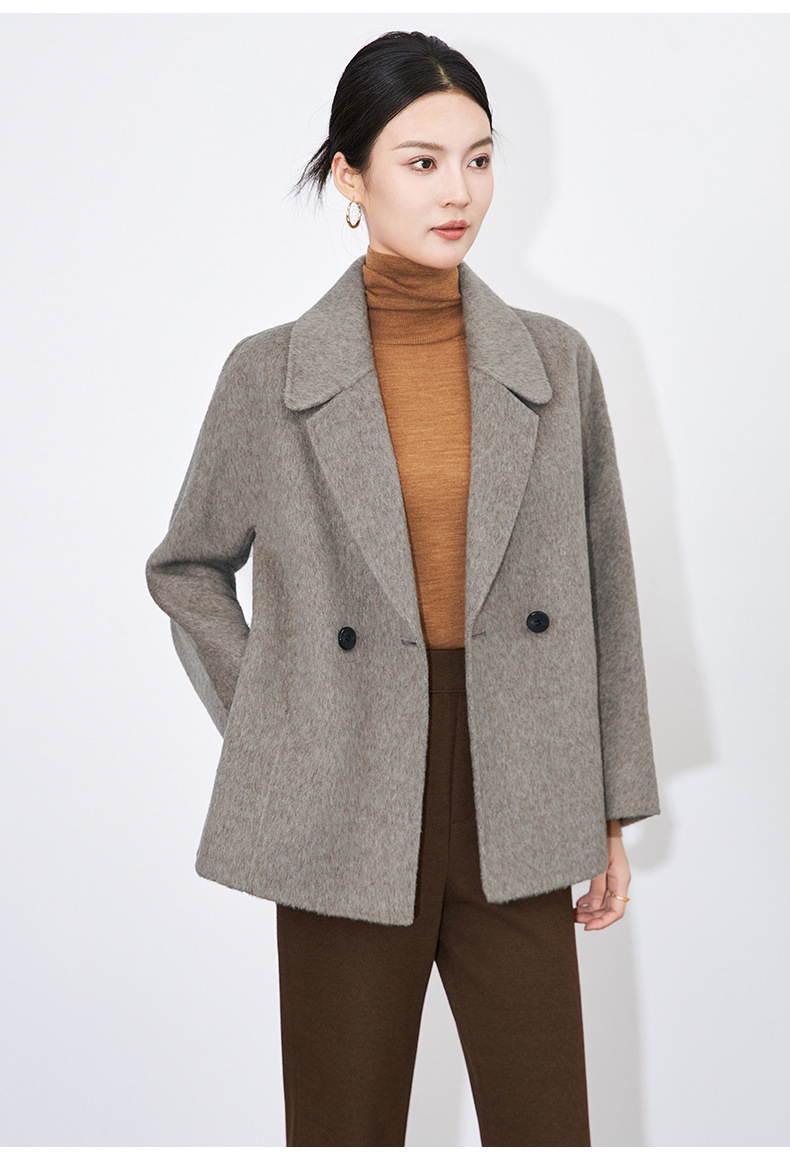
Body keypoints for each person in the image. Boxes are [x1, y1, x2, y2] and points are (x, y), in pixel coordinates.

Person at [146, 30, 660, 1147]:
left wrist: (612, 807)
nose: (458, 191)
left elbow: (607, 590)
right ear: (350, 173)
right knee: (343, 1126)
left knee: (545, 1126)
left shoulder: (556, 361)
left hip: (519, 776)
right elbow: (185, 569)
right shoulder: (270, 373)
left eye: (478, 158)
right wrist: (281, 719)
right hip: (345, 786)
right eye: (421, 161)